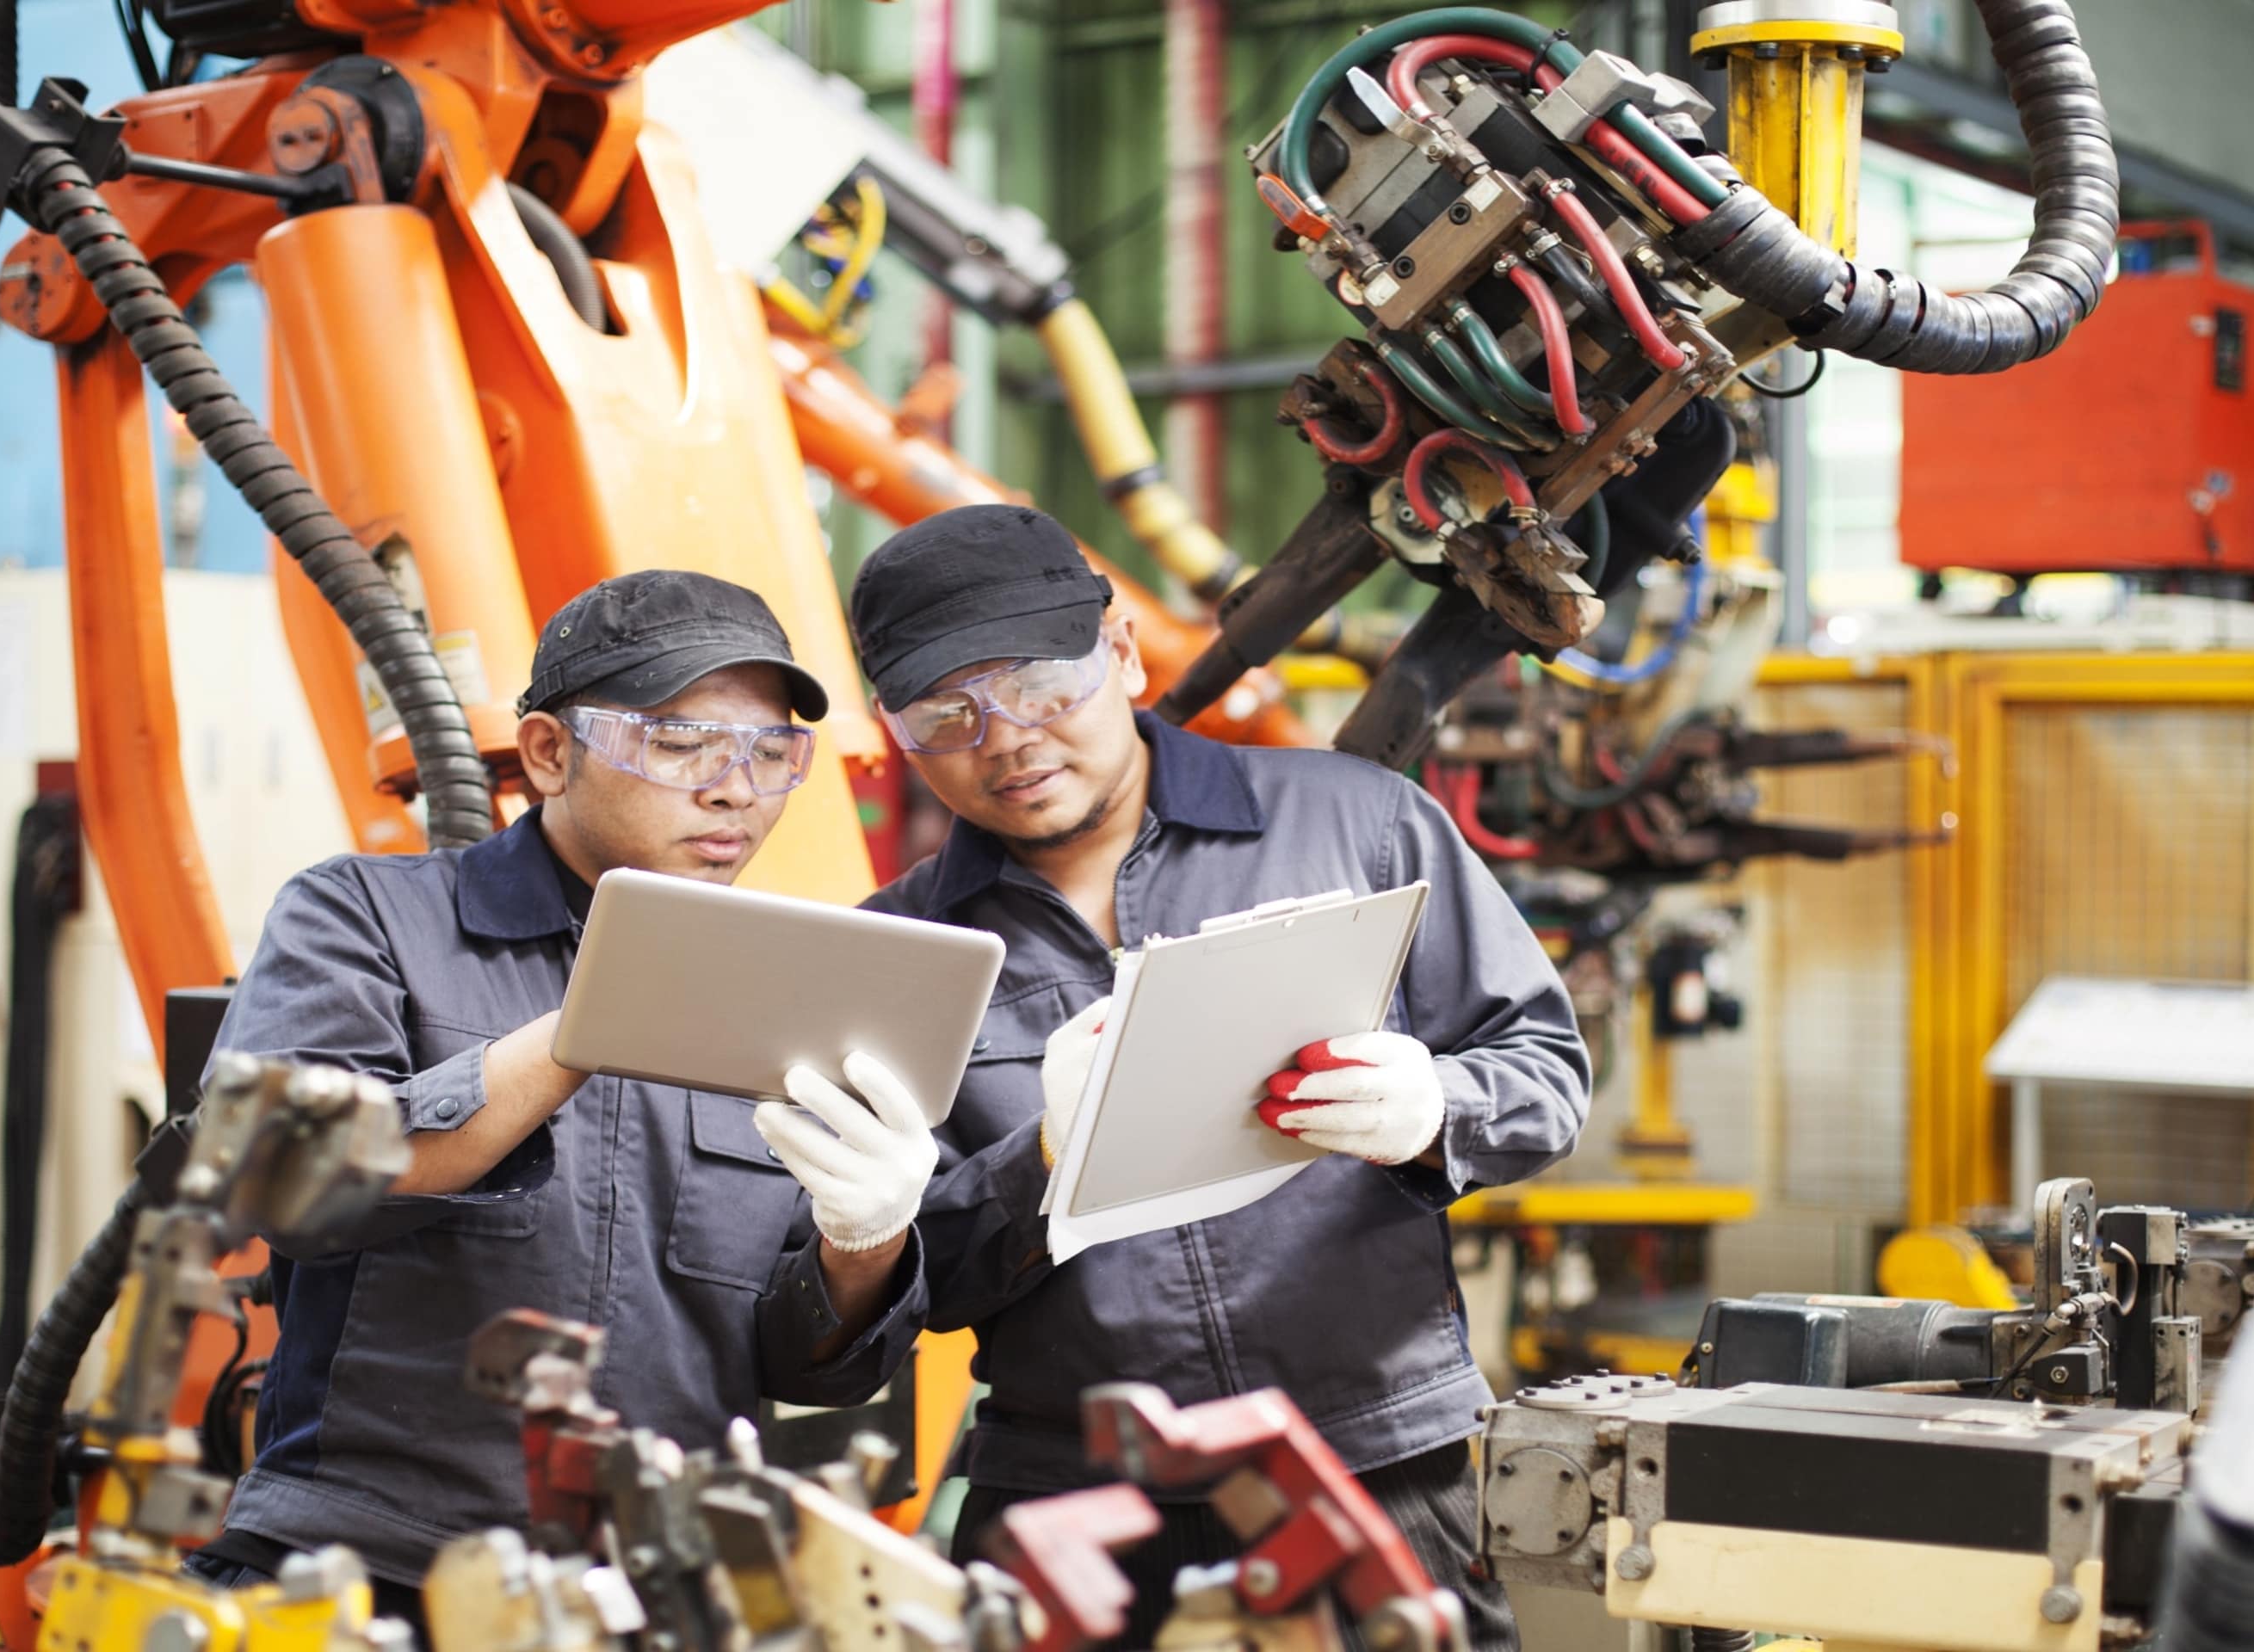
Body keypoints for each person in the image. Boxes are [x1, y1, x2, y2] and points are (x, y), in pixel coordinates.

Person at [849, 504, 1591, 1652]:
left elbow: (1543, 1072)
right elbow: (912, 1290)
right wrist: (1032, 1166)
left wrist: (1437, 1106)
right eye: (946, 715)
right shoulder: (899, 960)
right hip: (1072, 1504)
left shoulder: (1357, 825)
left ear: (1125, 654)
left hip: (1376, 1463)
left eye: (1045, 685)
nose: (1006, 740)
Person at [185, 570, 936, 1626]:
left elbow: (800, 1364)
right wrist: (594, 1016)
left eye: (772, 754)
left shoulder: (790, 988)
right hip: (366, 1575)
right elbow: (273, 1178)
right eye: (681, 744)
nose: (734, 790)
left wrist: (866, 1243)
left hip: (651, 1598)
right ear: (547, 753)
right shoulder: (367, 919)